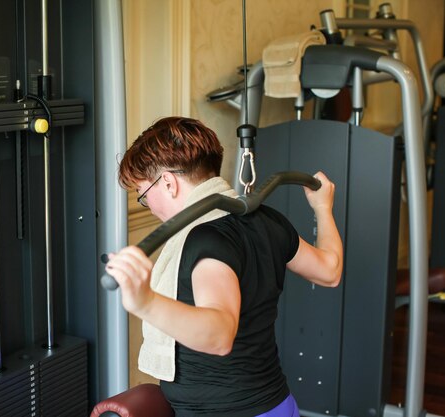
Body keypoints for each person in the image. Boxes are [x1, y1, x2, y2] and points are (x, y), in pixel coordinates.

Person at [105, 116, 343, 417]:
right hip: (278, 405)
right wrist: (323, 208)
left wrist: (145, 301)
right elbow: (330, 270)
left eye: (143, 194)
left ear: (167, 182)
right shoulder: (267, 221)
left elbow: (219, 335)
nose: (149, 206)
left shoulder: (204, 240)